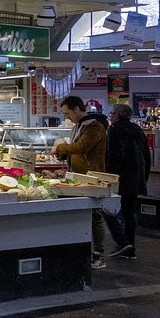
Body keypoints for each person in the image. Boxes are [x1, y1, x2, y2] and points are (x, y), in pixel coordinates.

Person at [53, 95, 110, 270]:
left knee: (95, 216)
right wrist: (63, 154)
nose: (66, 117)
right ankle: (80, 250)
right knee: (82, 215)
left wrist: (60, 147)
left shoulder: (94, 126)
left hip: (92, 177)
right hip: (78, 177)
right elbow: (76, 150)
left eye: (67, 113)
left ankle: (99, 255)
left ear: (77, 109)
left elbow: (81, 147)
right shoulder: (80, 126)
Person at [103, 103, 150, 261]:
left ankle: (122, 243)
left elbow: (115, 155)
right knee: (130, 213)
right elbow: (146, 156)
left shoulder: (115, 130)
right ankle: (130, 248)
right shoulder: (137, 130)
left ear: (117, 115)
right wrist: (143, 178)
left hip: (121, 179)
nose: (111, 116)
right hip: (136, 179)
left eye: (112, 114)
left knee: (109, 209)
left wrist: (109, 177)